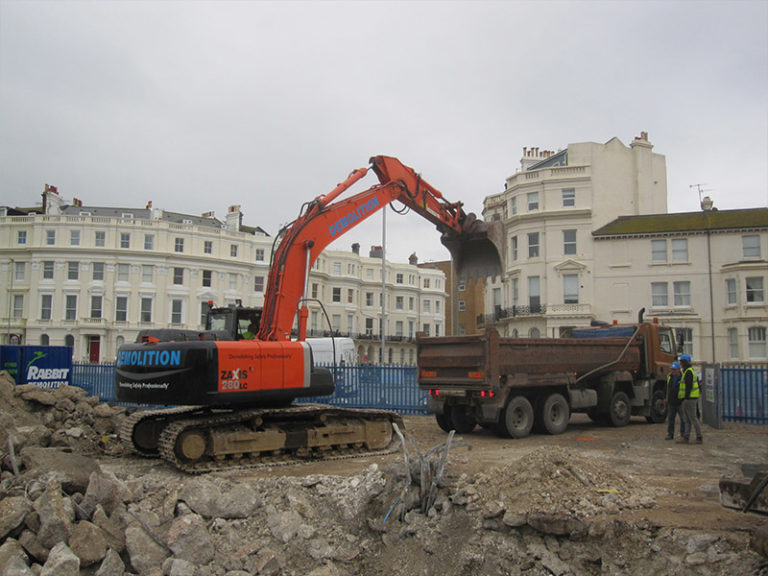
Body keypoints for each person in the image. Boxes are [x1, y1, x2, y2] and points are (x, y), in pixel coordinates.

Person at [676, 354, 703, 444]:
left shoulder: (688, 372)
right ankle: (686, 436)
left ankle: (699, 437)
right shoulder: (687, 371)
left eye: (681, 362)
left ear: (684, 362)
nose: (680, 363)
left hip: (690, 398)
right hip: (688, 398)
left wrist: (686, 397)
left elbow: (688, 386)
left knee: (692, 418)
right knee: (687, 419)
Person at [665, 361, 686, 440]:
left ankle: (682, 434)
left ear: (678, 369)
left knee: (683, 419)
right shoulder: (670, 377)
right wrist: (666, 398)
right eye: (672, 369)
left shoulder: (682, 377)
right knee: (671, 419)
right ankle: (670, 434)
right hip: (671, 402)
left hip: (680, 402)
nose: (673, 371)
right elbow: (667, 388)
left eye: (674, 369)